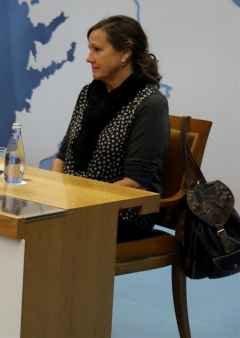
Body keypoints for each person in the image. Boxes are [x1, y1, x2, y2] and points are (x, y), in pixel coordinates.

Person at [52, 15, 170, 242]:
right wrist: (53, 193)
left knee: (44, 231)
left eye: (97, 50)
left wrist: (80, 202)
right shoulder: (89, 92)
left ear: (125, 53)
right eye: (89, 49)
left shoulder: (149, 103)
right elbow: (62, 156)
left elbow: (135, 182)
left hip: (124, 213)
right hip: (78, 204)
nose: (89, 58)